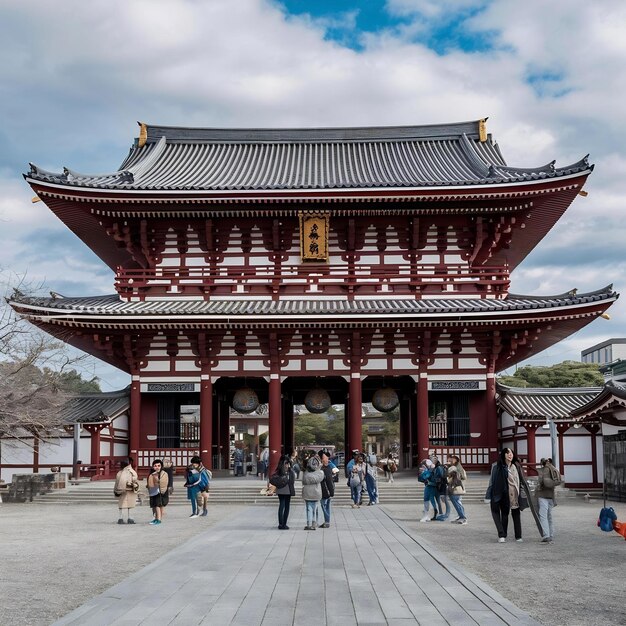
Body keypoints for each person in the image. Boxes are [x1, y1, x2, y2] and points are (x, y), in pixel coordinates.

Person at [485, 447, 529, 543]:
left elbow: (522, 480)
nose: (510, 454)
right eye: (507, 453)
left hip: (515, 494)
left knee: (516, 514)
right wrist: (488, 495)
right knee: (504, 515)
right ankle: (502, 535)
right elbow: (491, 481)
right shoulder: (497, 466)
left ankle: (518, 536)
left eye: (511, 453)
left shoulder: (516, 466)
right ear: (503, 455)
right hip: (502, 494)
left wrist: (524, 492)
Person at [536, 457, 560, 543]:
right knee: (549, 516)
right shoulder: (553, 469)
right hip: (551, 495)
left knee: (543, 516)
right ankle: (551, 534)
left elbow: (541, 482)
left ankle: (546, 535)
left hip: (543, 495)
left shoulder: (543, 470)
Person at [269, 454, 296, 529]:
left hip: (280, 490)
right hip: (287, 490)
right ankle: (284, 523)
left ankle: (280, 523)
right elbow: (292, 480)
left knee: (281, 506)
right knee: (286, 507)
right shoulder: (289, 471)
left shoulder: (278, 470)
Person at [302, 455, 324, 529]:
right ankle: (314, 523)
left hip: (307, 492)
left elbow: (304, 481)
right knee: (315, 509)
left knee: (309, 508)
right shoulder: (320, 473)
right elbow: (318, 478)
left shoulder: (306, 473)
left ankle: (309, 524)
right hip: (316, 492)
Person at [114, 459, 139, 524]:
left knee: (121, 505)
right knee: (130, 505)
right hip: (130, 490)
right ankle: (130, 518)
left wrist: (116, 490)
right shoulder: (132, 471)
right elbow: (135, 479)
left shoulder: (119, 472)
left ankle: (120, 518)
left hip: (121, 490)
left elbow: (116, 482)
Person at [147, 459, 169, 525]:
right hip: (154, 491)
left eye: (159, 466)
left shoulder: (164, 474)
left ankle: (159, 519)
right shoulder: (152, 474)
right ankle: (156, 518)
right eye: (155, 466)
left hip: (162, 492)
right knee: (155, 506)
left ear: (161, 466)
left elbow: (164, 482)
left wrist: (157, 480)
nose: (157, 467)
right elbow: (149, 483)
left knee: (158, 505)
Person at [447, 454, 467, 523]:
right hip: (453, 487)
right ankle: (460, 516)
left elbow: (463, 477)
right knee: (457, 503)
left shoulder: (458, 468)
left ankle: (463, 517)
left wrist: (454, 474)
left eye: (453, 459)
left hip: (456, 487)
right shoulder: (454, 467)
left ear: (456, 460)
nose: (451, 460)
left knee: (457, 502)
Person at [319, 450, 335, 528]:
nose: (327, 459)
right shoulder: (323, 468)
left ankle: (327, 521)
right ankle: (327, 521)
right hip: (324, 490)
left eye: (327, 458)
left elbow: (329, 481)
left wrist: (331, 491)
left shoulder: (326, 469)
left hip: (325, 491)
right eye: (325, 457)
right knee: (326, 506)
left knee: (324, 506)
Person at [432, 456, 450, 520]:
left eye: (434, 460)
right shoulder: (436, 467)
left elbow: (441, 477)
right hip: (439, 485)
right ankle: (442, 513)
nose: (432, 461)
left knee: (443, 500)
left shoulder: (439, 467)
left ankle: (445, 514)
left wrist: (434, 480)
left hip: (442, 485)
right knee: (441, 500)